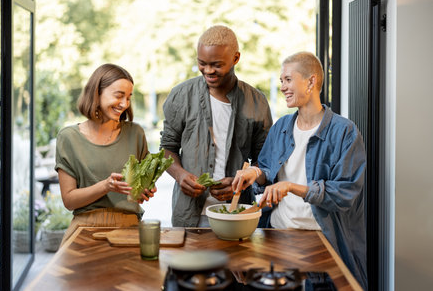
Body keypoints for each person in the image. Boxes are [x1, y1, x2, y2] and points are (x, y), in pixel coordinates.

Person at [232, 52, 367, 289]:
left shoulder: (344, 132)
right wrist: (255, 173)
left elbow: (345, 193)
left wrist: (292, 187)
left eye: (288, 80)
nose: (283, 87)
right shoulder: (282, 127)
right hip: (276, 236)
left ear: (311, 81)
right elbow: (267, 170)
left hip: (321, 241)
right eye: (281, 81)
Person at [160, 25, 273, 227]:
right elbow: (167, 148)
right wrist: (180, 175)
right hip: (188, 216)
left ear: (236, 59)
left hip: (236, 213)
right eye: (202, 63)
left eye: (217, 65)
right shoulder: (180, 96)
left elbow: (264, 162)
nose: (208, 70)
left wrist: (240, 184)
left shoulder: (257, 101)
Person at [55, 63, 156, 245]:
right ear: (97, 93)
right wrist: (106, 186)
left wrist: (144, 191)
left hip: (129, 227)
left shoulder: (136, 134)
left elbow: (138, 191)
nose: (125, 104)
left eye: (129, 98)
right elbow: (69, 200)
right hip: (84, 229)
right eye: (119, 96)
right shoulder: (68, 137)